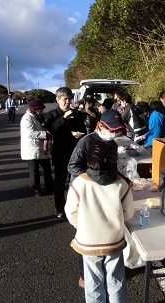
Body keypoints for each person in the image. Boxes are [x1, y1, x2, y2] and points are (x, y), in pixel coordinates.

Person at [65, 140, 134, 303]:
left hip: (88, 242)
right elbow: (128, 213)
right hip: (114, 240)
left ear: (90, 160)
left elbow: (71, 213)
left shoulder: (79, 183)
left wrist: (83, 224)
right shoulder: (121, 184)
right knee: (116, 279)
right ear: (113, 161)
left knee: (93, 281)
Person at [68, 108, 127, 288]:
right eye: (111, 129)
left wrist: (126, 180)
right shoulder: (87, 141)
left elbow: (113, 170)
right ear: (101, 126)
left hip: (106, 193)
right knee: (87, 235)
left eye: (117, 130)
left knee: (105, 231)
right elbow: (72, 166)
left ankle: (107, 271)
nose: (114, 134)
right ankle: (84, 276)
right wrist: (90, 181)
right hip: (86, 193)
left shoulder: (113, 145)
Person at [45, 87, 86, 219]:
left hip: (75, 151)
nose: (67, 102)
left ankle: (75, 206)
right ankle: (60, 208)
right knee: (60, 182)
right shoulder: (51, 114)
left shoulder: (77, 114)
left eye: (69, 99)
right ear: (57, 100)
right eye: (65, 99)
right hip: (60, 152)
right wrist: (64, 117)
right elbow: (52, 130)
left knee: (75, 181)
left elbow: (83, 129)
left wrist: (79, 134)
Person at [20, 99, 54, 196]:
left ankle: (50, 186)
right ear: (33, 109)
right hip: (31, 148)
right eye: (39, 109)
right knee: (34, 171)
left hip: (41, 148)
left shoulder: (40, 117)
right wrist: (44, 134)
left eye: (41, 109)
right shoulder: (27, 118)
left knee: (47, 169)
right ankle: (36, 189)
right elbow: (29, 133)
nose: (41, 111)